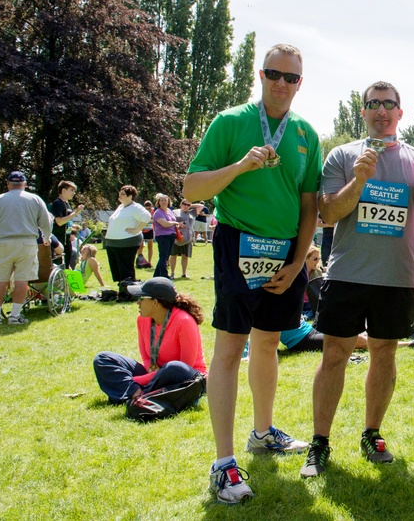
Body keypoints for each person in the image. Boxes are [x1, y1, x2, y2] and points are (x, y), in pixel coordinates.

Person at [184, 43, 321, 504]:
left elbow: (309, 205)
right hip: (237, 242)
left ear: (301, 83)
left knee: (267, 342)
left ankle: (262, 432)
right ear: (259, 75)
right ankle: (223, 465)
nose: (282, 83)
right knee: (229, 347)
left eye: (292, 77)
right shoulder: (230, 122)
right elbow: (191, 186)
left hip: (285, 253)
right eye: (274, 73)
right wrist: (242, 164)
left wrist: (299, 260)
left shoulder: (306, 133)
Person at [304, 80, 414, 478]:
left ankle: (372, 433)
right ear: (362, 112)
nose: (381, 111)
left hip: (397, 279)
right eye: (373, 104)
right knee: (334, 356)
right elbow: (328, 214)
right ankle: (320, 442)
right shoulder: (343, 155)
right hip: (347, 274)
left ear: (401, 113)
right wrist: (359, 180)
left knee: (385, 354)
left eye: (389, 104)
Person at [92, 277, 207, 404]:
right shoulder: (142, 319)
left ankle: (132, 392)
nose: (138, 302)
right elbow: (146, 357)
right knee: (102, 359)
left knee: (174, 367)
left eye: (142, 298)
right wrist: (149, 372)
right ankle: (140, 394)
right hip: (154, 374)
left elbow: (186, 367)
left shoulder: (184, 321)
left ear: (155, 302)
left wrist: (138, 380)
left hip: (184, 377)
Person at [0, 171, 54, 326]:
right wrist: (47, 238)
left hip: (3, 242)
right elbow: (46, 222)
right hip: (26, 242)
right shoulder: (34, 199)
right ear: (25, 184)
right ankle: (14, 316)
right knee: (22, 279)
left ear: (8, 184)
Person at [103, 186, 152, 288]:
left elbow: (147, 216)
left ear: (130, 196)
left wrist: (137, 229)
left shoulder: (135, 207)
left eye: (123, 194)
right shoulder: (121, 207)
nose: (120, 195)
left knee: (126, 268)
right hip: (113, 243)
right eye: (120, 193)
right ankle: (122, 288)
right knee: (117, 268)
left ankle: (129, 290)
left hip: (126, 243)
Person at [49, 180, 83, 270]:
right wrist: (76, 212)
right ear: (63, 191)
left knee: (67, 263)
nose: (73, 193)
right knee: (60, 265)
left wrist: (73, 226)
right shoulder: (57, 203)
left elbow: (67, 220)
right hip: (59, 239)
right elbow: (59, 221)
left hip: (67, 239)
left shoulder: (67, 204)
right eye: (71, 190)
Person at [169, 199, 202, 279]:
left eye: (188, 205)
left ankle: (184, 273)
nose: (186, 206)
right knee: (173, 255)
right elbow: (169, 222)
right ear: (180, 204)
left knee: (185, 256)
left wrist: (191, 204)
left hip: (187, 238)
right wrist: (178, 224)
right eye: (184, 204)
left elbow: (201, 206)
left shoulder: (191, 212)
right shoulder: (174, 212)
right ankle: (172, 273)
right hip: (176, 238)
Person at [151, 194, 180, 279]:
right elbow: (165, 224)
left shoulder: (169, 211)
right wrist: (175, 223)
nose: (163, 202)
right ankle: (164, 275)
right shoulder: (158, 213)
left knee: (166, 256)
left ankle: (156, 275)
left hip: (171, 235)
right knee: (163, 256)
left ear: (168, 201)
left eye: (165, 200)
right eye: (161, 200)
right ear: (158, 202)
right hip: (163, 236)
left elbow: (173, 221)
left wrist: (176, 225)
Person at [138, 200, 155, 268]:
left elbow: (154, 219)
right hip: (142, 230)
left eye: (149, 208)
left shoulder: (153, 211)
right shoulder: (141, 212)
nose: (148, 210)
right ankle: (140, 260)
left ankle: (149, 261)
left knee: (150, 246)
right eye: (146, 208)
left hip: (150, 230)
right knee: (140, 246)